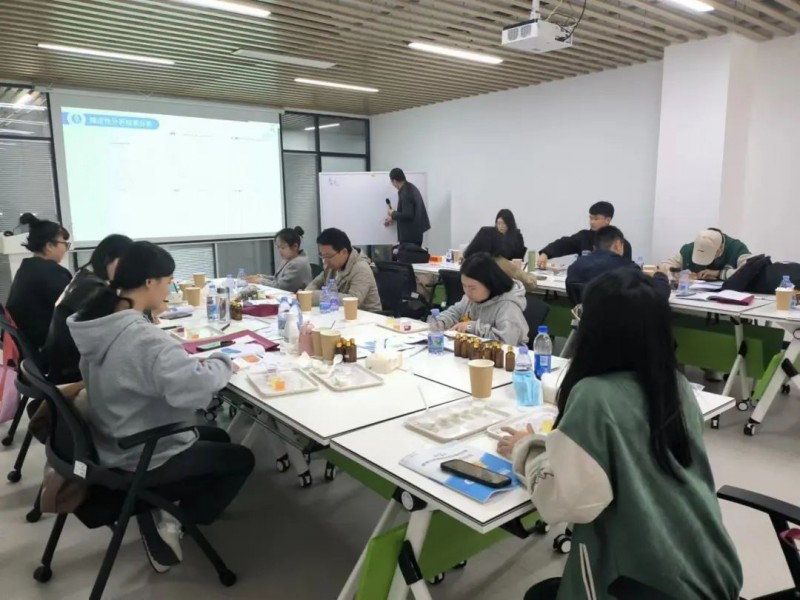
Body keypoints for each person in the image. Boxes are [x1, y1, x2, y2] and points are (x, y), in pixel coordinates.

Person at [497, 269, 742, 600]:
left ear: (596, 329)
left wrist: (525, 450)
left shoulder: (594, 395)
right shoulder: (676, 385)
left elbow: (566, 504)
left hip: (646, 586)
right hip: (711, 570)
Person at [68, 242, 254, 573]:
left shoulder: (99, 321)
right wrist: (222, 360)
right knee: (242, 459)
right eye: (169, 282)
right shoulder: (143, 338)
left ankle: (166, 505)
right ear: (150, 282)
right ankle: (176, 521)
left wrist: (183, 364)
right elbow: (195, 386)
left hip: (112, 435)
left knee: (218, 437)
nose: (170, 289)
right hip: (141, 454)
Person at [44, 233, 134, 384]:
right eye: (124, 264)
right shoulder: (95, 289)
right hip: (73, 372)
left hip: (59, 365)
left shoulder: (83, 277)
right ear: (109, 259)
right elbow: (114, 338)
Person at [429, 252, 529, 345]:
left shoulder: (508, 306)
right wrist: (442, 322)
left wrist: (471, 326)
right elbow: (455, 312)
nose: (467, 292)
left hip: (505, 355)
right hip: (474, 351)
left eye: (472, 288)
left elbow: (506, 341)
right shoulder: (471, 297)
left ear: (489, 284)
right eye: (464, 285)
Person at [6, 213, 72, 350]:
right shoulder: (52, 272)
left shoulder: (27, 268)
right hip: (47, 348)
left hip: (29, 347)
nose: (66, 249)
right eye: (65, 244)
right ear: (49, 246)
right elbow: (75, 308)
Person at [566, 225, 670, 300]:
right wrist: (661, 276)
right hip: (620, 323)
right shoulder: (628, 268)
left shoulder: (575, 267)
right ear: (617, 245)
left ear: (594, 247)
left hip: (586, 321)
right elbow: (659, 296)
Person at [306, 228, 382, 312]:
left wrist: (316, 296)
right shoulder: (331, 266)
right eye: (322, 256)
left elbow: (353, 300)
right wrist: (307, 294)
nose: (325, 261)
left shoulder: (361, 268)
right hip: (340, 314)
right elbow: (316, 283)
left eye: (328, 256)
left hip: (368, 316)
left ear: (344, 252)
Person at [537, 201, 632, 269]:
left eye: (596, 219)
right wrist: (545, 254)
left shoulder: (620, 244)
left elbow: (627, 271)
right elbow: (563, 244)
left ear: (608, 220)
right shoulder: (584, 236)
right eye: (590, 218)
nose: (592, 222)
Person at [464, 226, 538, 293]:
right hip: (499, 300)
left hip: (471, 298)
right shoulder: (500, 262)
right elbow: (530, 283)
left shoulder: (467, 261)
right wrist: (532, 276)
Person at [661, 228, 752, 281]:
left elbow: (751, 271)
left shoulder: (737, 248)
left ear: (720, 249)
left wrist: (719, 274)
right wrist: (681, 275)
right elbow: (664, 267)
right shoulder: (690, 249)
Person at [246, 226, 312, 292]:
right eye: (278, 247)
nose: (280, 251)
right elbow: (277, 279)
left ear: (295, 246)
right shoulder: (288, 259)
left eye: (282, 248)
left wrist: (260, 281)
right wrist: (260, 277)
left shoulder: (298, 264)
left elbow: (280, 286)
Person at [385, 168, 431, 247]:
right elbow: (409, 212)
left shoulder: (406, 193)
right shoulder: (410, 187)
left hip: (410, 237)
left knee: (409, 255)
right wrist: (393, 217)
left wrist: (393, 213)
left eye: (391, 182)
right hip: (415, 235)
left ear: (394, 181)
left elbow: (408, 215)